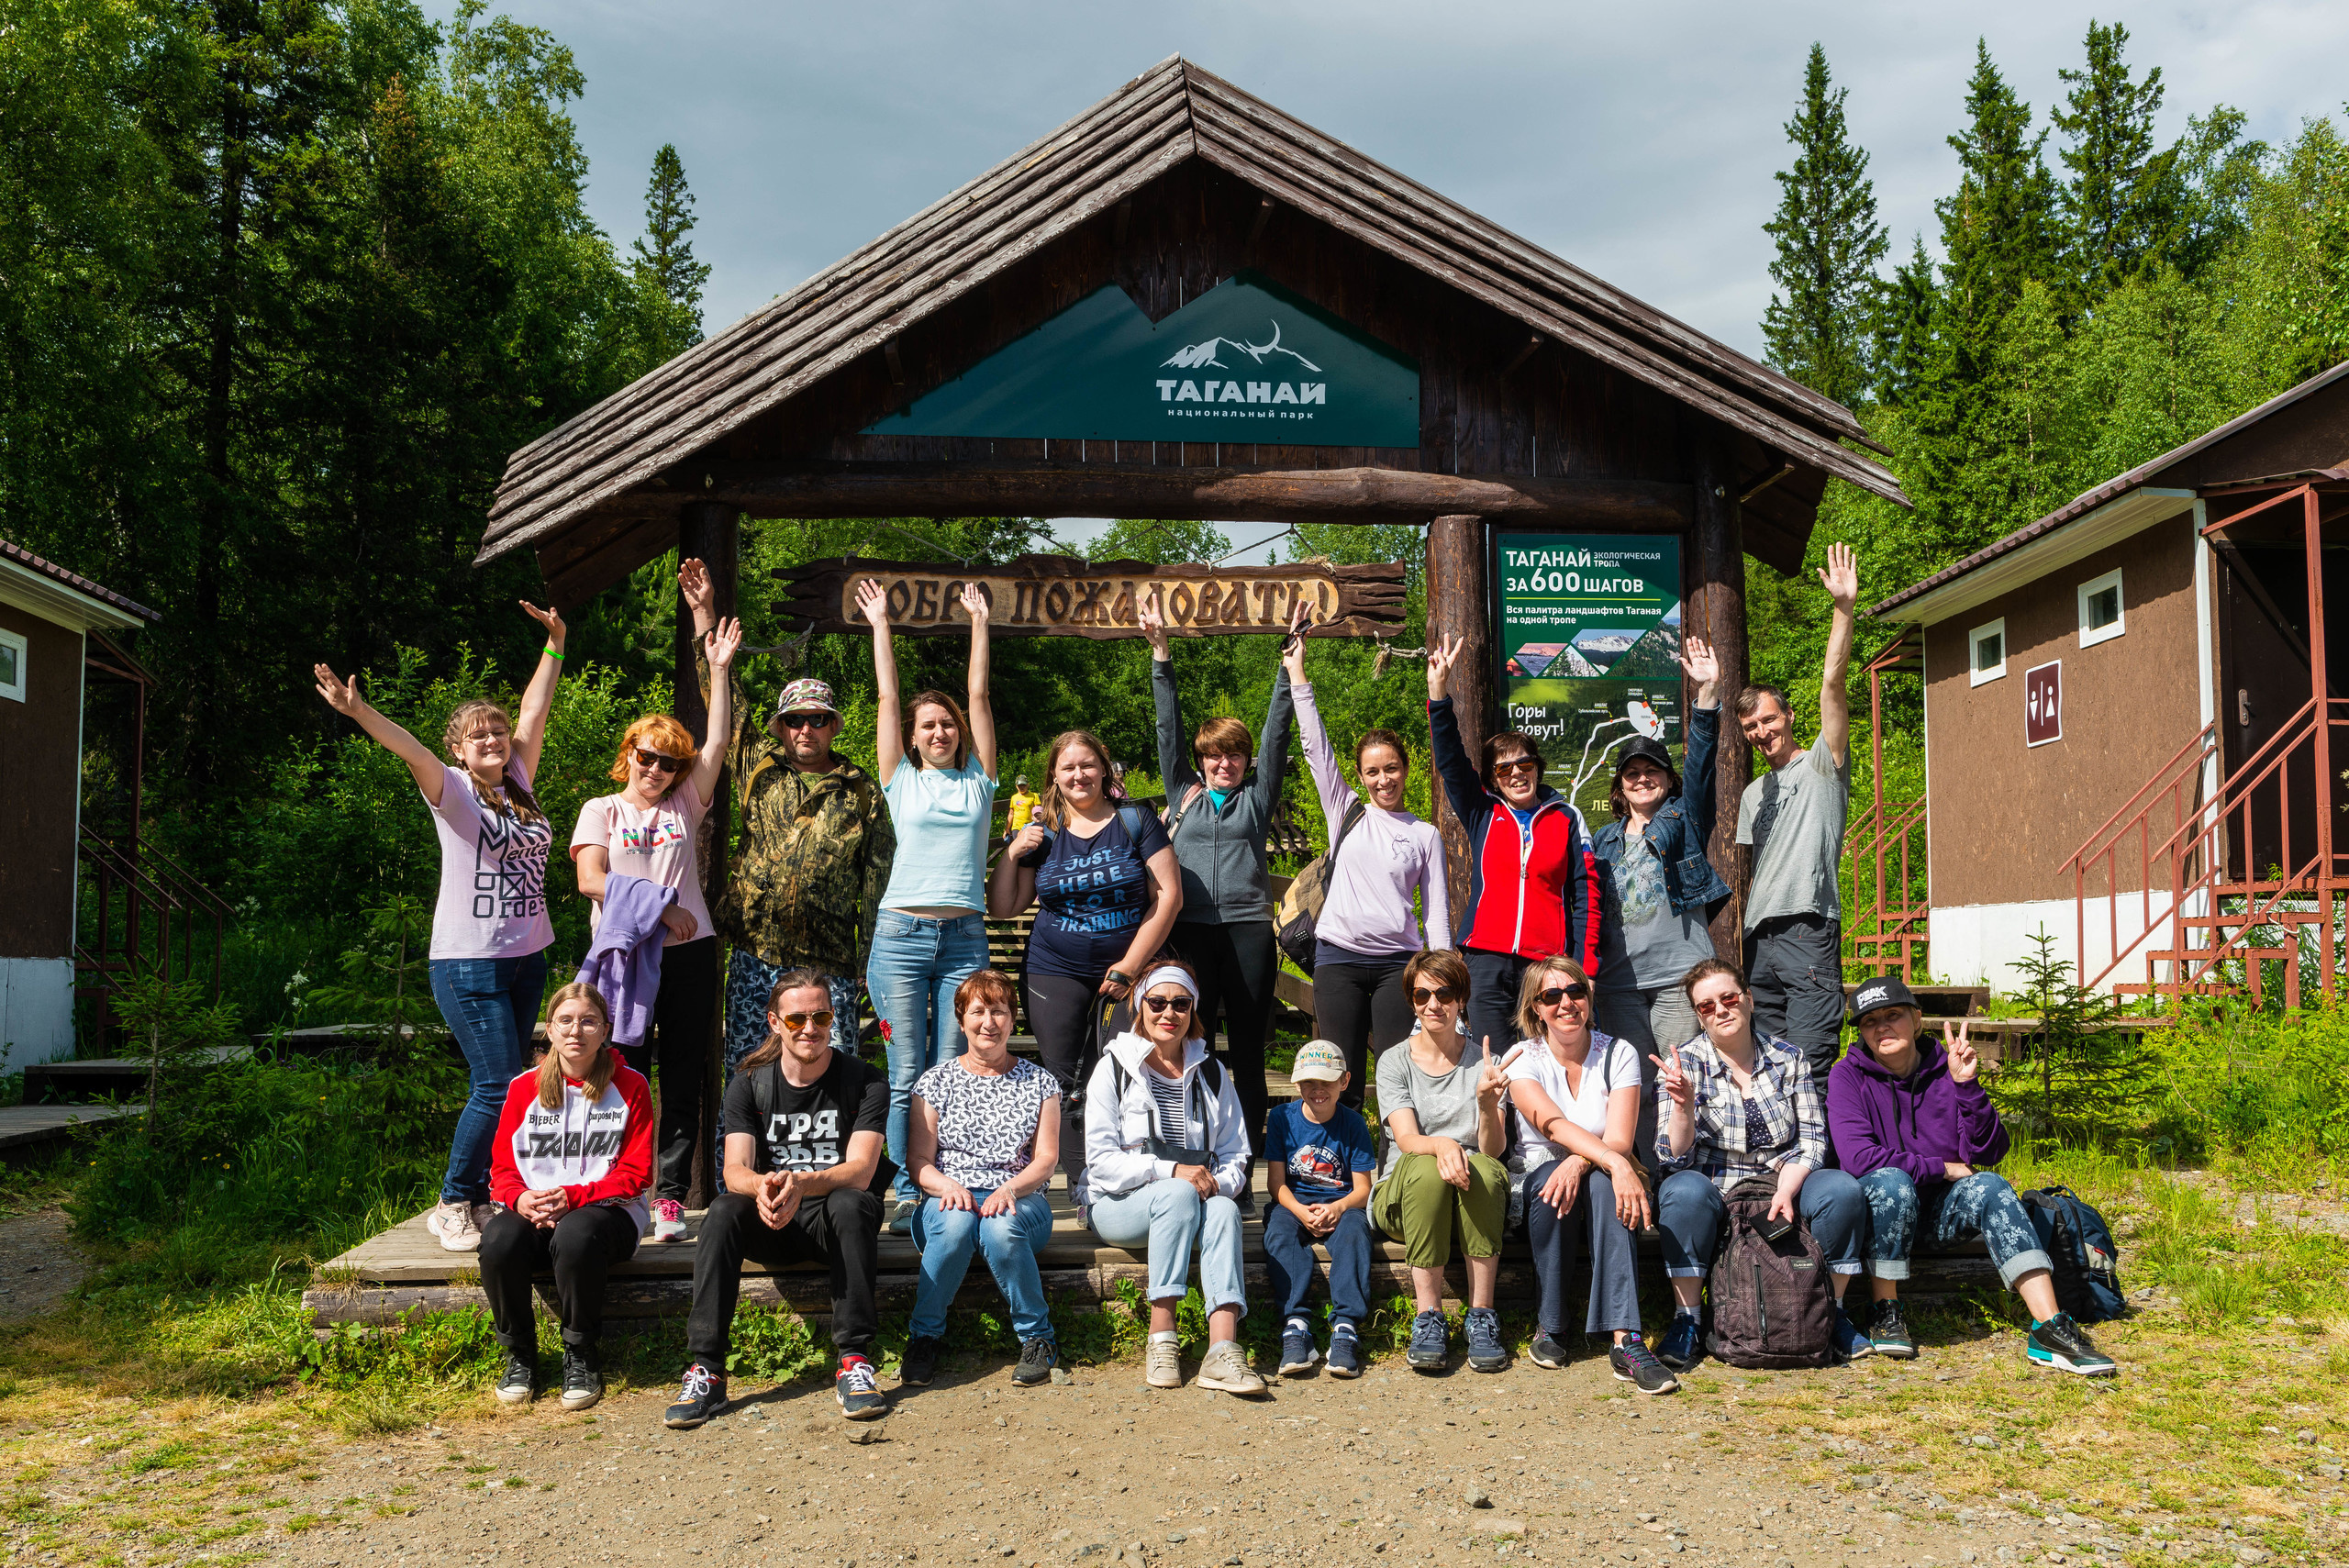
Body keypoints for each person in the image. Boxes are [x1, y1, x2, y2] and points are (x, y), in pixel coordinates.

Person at [312, 599, 567, 1253]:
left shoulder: (521, 783)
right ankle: (454, 1199)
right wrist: (358, 711)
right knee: (494, 1082)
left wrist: (556, 643)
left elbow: (535, 710)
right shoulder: (450, 788)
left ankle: (486, 1195)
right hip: (468, 963)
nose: (493, 740)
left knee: (515, 1084)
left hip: (526, 957)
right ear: (459, 748)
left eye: (497, 732)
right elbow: (411, 748)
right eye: (477, 735)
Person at [682, 558, 894, 1113]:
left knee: (836, 1078)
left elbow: (876, 887)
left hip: (830, 962)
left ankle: (839, 1186)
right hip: (757, 954)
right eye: (795, 719)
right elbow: (719, 690)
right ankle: (741, 1185)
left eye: (818, 719)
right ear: (780, 726)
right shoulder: (755, 761)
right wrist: (704, 612)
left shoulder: (862, 791)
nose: (806, 728)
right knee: (750, 1071)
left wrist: (872, 963)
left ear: (834, 726)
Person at [1831, 977, 2118, 1375]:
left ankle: (2049, 1327)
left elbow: (1990, 1152)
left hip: (1939, 1213)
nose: (1882, 1027)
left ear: (1916, 1019)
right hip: (1881, 1215)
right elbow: (1859, 1157)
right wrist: (1940, 1167)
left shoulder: (1947, 1068)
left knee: (1992, 1185)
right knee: (1891, 1182)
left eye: (1893, 1015)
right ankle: (1885, 1311)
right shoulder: (1847, 1076)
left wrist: (1967, 1086)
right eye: (1870, 1021)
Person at [570, 617, 741, 1242]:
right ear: (629, 755)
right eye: (648, 756)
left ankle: (668, 1198)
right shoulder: (602, 808)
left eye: (670, 762)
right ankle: (620, 1186)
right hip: (623, 957)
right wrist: (661, 906)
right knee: (621, 1071)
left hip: (690, 958)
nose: (657, 768)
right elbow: (591, 878)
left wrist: (718, 669)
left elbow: (719, 742)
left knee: (685, 1071)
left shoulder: (683, 805)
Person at [668, 970, 892, 1429]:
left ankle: (854, 1361)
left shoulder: (864, 1080)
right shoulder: (749, 1085)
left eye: (821, 1016)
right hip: (772, 1221)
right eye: (796, 1019)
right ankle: (706, 1368)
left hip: (835, 1224)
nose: (810, 1028)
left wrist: (800, 1183)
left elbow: (861, 1169)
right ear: (774, 1022)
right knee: (724, 1209)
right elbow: (734, 1173)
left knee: (852, 1201)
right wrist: (766, 1188)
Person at [856, 577, 1000, 1233]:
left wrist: (978, 623)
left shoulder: (980, 781)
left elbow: (979, 694)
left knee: (951, 1068)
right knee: (907, 1067)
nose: (939, 731)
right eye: (928, 726)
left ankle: (949, 1177)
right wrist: (881, 621)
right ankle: (909, 1189)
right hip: (900, 938)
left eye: (946, 724)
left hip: (964, 940)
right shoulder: (901, 781)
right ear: (913, 739)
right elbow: (887, 695)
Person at [1651, 958, 1873, 1373]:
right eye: (1706, 1005)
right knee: (1681, 1191)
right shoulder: (1685, 1066)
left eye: (1728, 998)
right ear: (1699, 1016)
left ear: (1748, 1000)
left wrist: (1787, 1190)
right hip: (1715, 1186)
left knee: (1842, 1190)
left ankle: (1833, 1312)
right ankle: (1688, 1319)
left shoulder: (1789, 1058)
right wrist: (1681, 1106)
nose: (1720, 1010)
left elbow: (1812, 1140)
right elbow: (1672, 1157)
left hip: (1782, 1178)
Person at [1141, 590, 1301, 1157]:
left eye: (1233, 755)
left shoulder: (1257, 802)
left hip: (1247, 931)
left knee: (1251, 1047)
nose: (1223, 763)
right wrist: (1161, 654)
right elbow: (1169, 731)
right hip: (1189, 932)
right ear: (1203, 759)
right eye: (1214, 755)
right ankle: (1195, 1146)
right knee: (1191, 1043)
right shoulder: (1181, 792)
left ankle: (1253, 1153)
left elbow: (1277, 737)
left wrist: (1287, 669)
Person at [987, 728, 1183, 1180]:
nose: (1079, 774)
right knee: (1064, 1082)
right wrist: (1011, 853)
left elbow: (1168, 896)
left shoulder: (1136, 820)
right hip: (1054, 970)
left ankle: (1135, 1174)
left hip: (1132, 972)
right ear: (1054, 777)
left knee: (1127, 1072)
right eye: (1068, 767)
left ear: (1104, 768)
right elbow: (1003, 908)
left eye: (1087, 765)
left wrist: (1130, 967)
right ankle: (1081, 1184)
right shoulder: (1043, 834)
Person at [1078, 959, 1266, 1396]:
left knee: (1220, 1207)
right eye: (1158, 1002)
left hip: (1192, 1205)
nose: (1169, 1013)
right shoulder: (1114, 1069)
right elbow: (1101, 1161)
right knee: (1179, 1194)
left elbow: (1237, 1153)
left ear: (1193, 1010)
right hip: (1120, 1205)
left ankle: (1222, 1350)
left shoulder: (1214, 1073)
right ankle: (1162, 1337)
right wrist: (1170, 1172)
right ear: (1140, 1007)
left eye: (1181, 1004)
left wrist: (1219, 1184)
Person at [1289, 626, 1450, 1108]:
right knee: (1339, 1079)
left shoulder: (1425, 835)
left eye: (1392, 768)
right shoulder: (1347, 813)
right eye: (1373, 772)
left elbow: (1437, 915)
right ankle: (1347, 1177)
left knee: (1400, 1077)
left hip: (1396, 968)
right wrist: (1298, 672)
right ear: (1360, 777)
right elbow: (1316, 748)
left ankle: (1395, 1172)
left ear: (1406, 769)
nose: (1384, 779)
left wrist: (1442, 984)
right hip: (1337, 960)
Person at [1501, 956, 1676, 1393]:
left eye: (1575, 991)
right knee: (1554, 1179)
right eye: (1551, 995)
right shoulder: (1521, 1057)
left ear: (1588, 996)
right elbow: (1553, 1126)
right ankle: (1552, 1323)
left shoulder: (1619, 1053)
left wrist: (1591, 1161)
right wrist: (1611, 1160)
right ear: (1535, 1008)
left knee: (1601, 1181)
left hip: (1602, 1172)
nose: (1566, 1002)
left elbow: (1619, 1137)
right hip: (1537, 1175)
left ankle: (1625, 1339)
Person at [1426, 633, 1602, 1065]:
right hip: (1485, 960)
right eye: (1504, 768)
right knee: (1495, 1064)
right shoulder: (1482, 811)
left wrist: (1586, 968)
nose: (1516, 773)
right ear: (1492, 777)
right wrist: (1438, 695)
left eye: (1525, 764)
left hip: (1545, 963)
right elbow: (1450, 761)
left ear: (1538, 768)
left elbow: (1587, 898)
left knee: (1547, 1062)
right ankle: (1495, 1136)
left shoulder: (1566, 817)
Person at [479, 983, 651, 1410]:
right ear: (551, 1031)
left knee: (576, 1234)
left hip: (607, 1215)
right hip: (535, 1212)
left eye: (589, 1021)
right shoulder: (523, 1088)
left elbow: (637, 1173)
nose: (577, 1030)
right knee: (499, 1239)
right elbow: (501, 1170)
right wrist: (518, 1200)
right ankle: (519, 1355)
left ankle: (581, 1352)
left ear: (605, 1029)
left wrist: (576, 1197)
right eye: (566, 1021)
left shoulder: (631, 1085)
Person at [1591, 638, 1730, 1161]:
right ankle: (1640, 1172)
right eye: (1632, 773)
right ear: (1620, 787)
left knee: (1679, 1081)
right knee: (1631, 1088)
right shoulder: (1602, 840)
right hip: (1618, 985)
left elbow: (1702, 768)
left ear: (1667, 780)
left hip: (1678, 979)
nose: (1642, 777)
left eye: (1652, 771)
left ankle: (1680, 1176)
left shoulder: (1684, 820)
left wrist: (1708, 695)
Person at [1737, 540, 1858, 1102]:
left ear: (1788, 716)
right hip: (1758, 939)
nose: (1763, 733)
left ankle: (1821, 1175)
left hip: (1809, 928)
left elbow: (1832, 683)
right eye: (1751, 729)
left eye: (1769, 719)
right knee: (1762, 1063)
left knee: (1810, 1061)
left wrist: (1843, 609)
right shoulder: (1753, 793)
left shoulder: (1822, 766)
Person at [900, 969, 1063, 1389]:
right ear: (961, 1020)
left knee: (1001, 1224)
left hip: (1021, 1199)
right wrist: (947, 1186)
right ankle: (924, 1337)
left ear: (1013, 1020)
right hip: (946, 1199)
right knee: (956, 1224)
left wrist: (1009, 1189)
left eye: (999, 1011)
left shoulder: (1040, 1082)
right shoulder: (935, 1082)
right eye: (978, 1011)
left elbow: (1046, 1159)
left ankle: (1038, 1339)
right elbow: (918, 1161)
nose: (989, 1022)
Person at [1373, 949, 1512, 1374]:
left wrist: (1488, 1105)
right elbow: (1407, 1138)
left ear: (1462, 999)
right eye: (1421, 995)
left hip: (1471, 1194)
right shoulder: (1394, 1061)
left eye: (1444, 993)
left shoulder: (1484, 1063)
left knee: (1487, 1170)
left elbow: (1492, 1150)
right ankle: (1428, 1315)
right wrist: (1445, 1146)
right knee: (1426, 1169)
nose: (1433, 1004)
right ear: (1412, 1001)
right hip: (1407, 1197)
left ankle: (1481, 1316)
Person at [1261, 1040, 1375, 1380]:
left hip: (1342, 1203)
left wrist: (1338, 1208)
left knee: (1356, 1234)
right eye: (1309, 1081)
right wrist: (1299, 1211)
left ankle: (1345, 1326)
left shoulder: (1353, 1124)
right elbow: (1276, 1184)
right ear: (1297, 1084)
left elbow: (1363, 1188)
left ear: (1344, 1081)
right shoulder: (1282, 1117)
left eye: (1327, 1081)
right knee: (1279, 1234)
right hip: (1293, 1202)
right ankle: (1295, 1324)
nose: (1318, 1090)